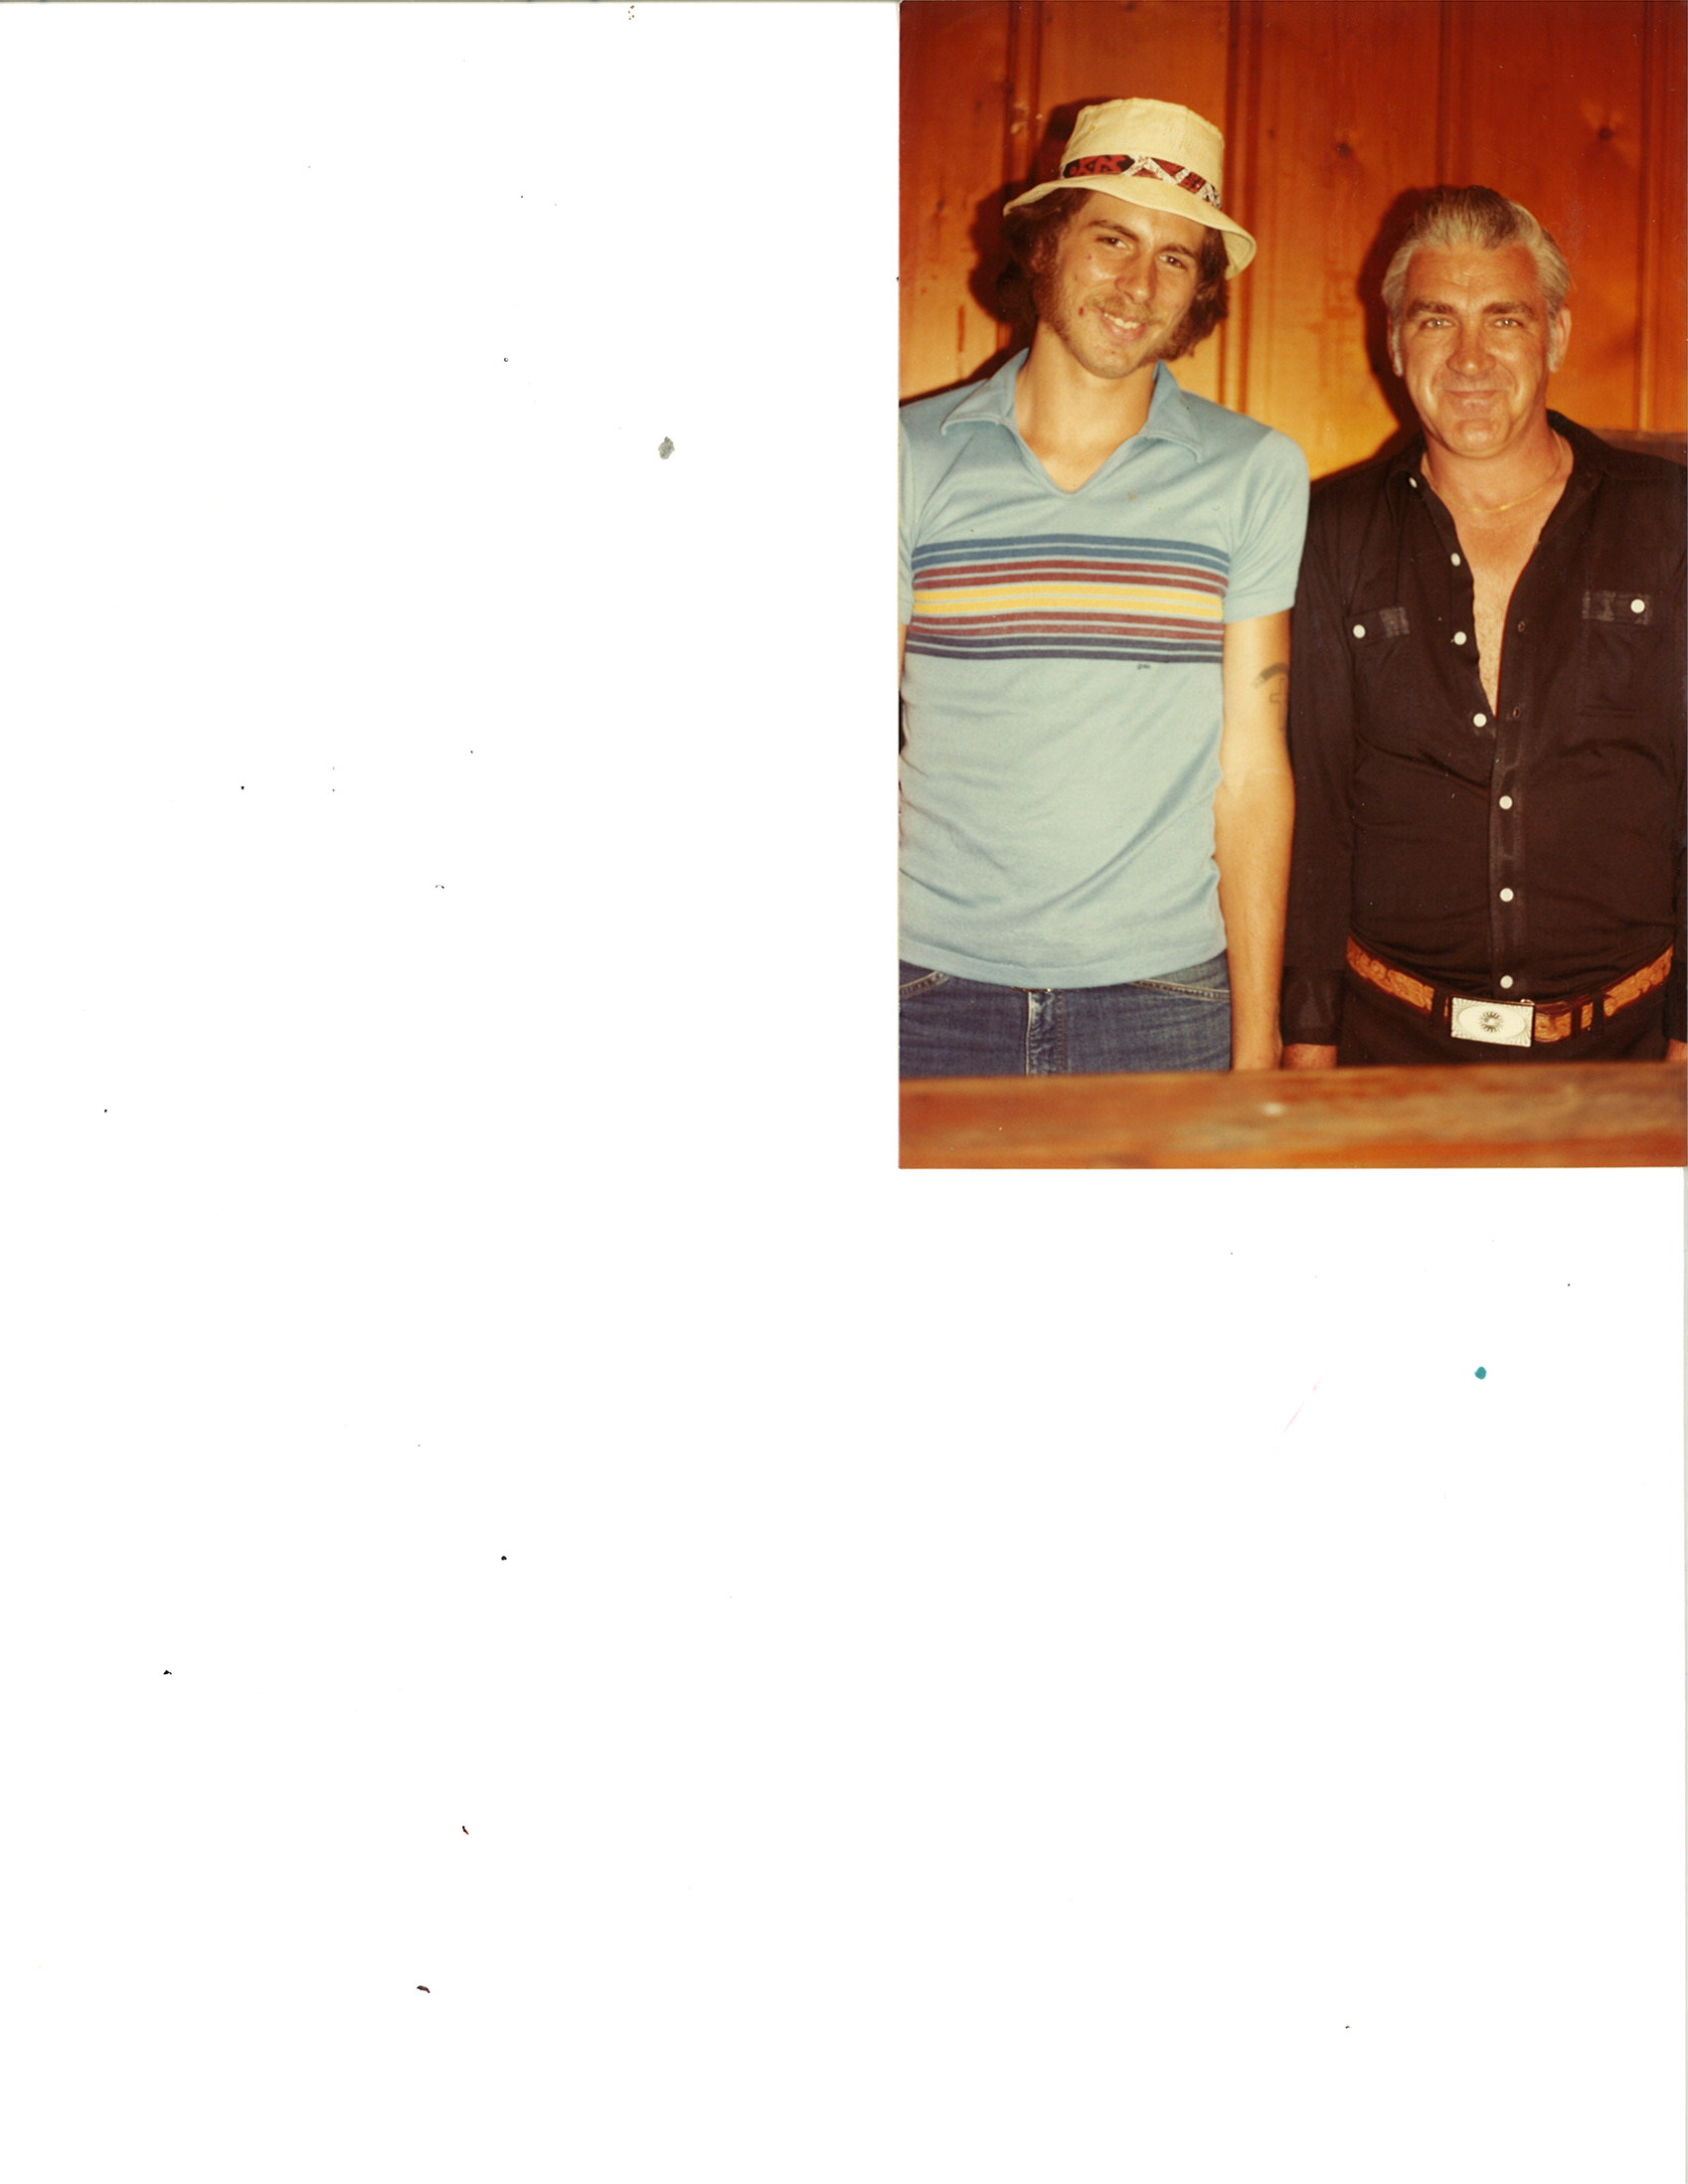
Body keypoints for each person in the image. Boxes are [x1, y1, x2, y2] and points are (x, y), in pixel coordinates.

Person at [899, 98, 1309, 1079]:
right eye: (1112, 238)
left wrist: (1257, 1041)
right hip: (923, 990)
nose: (1138, 285)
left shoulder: (1253, 472)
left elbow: (1252, 769)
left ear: (1200, 289)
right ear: (1047, 246)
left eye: (1175, 258)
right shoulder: (907, 458)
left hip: (1164, 1002)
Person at [1282, 185, 1686, 1067]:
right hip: (1392, 1050)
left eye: (1504, 319)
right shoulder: (1331, 533)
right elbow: (1317, 813)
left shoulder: (1669, 519)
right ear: (1396, 343)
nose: (1469, 357)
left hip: (1630, 1050)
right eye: (1436, 320)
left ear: (1556, 337)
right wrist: (1307, 1046)